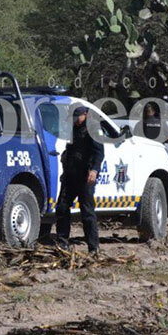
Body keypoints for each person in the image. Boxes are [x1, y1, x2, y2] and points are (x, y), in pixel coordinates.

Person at [55, 105, 105, 254]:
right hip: (70, 174)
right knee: (62, 208)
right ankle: (62, 244)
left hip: (85, 176)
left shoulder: (93, 129)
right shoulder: (72, 128)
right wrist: (65, 155)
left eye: (78, 118)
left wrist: (94, 170)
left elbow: (99, 153)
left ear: (86, 115)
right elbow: (71, 147)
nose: (75, 121)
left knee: (87, 212)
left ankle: (93, 247)